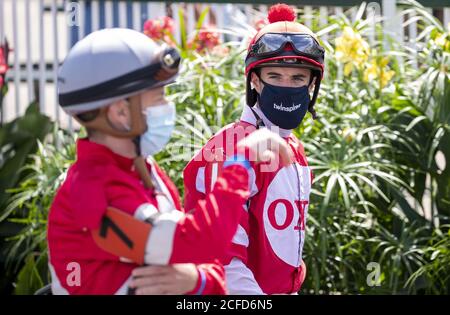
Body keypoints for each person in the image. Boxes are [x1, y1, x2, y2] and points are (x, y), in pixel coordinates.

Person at [47, 28, 292, 295]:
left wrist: (198, 280)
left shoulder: (144, 170)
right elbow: (196, 241)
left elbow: (197, 265)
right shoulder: (94, 187)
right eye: (159, 96)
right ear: (120, 112)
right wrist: (240, 164)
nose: (167, 105)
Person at [181, 3, 326, 294]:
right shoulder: (228, 148)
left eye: (298, 78)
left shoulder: (294, 148)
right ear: (255, 81)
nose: (287, 85)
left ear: (312, 85)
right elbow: (222, 258)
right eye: (275, 76)